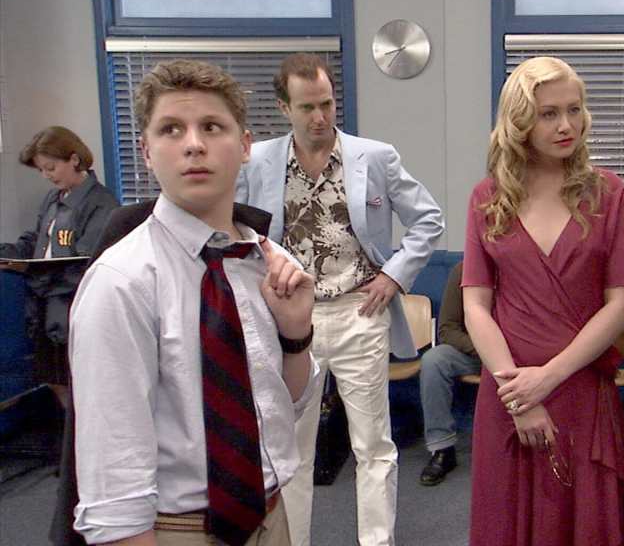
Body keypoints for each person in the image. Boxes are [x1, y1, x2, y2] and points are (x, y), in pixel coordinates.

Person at [69, 59, 318, 545]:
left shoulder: (266, 262)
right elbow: (112, 472)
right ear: (146, 151)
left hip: (271, 515)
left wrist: (295, 335)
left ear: (245, 145)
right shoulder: (121, 282)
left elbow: (287, 403)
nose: (194, 144)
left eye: (212, 126)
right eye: (171, 129)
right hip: (175, 529)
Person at [236, 52, 444, 546]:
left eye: (327, 104)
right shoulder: (259, 160)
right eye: (307, 107)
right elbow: (236, 225)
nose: (320, 117)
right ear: (284, 107)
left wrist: (393, 277)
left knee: (373, 444)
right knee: (292, 447)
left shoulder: (374, 156)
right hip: (289, 320)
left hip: (358, 311)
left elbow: (427, 219)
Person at [463, 56, 624, 546]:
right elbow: (477, 305)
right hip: (508, 391)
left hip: (578, 387)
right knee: (508, 522)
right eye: (548, 113)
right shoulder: (487, 198)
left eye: (574, 110)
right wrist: (518, 394)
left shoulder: (608, 192)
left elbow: (618, 303)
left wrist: (549, 377)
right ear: (520, 121)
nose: (567, 125)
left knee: (581, 522)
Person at [0, 126, 118, 408]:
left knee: (78, 379)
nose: (47, 176)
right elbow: (36, 240)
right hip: (43, 303)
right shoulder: (53, 199)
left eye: (51, 167)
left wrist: (38, 274)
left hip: (72, 306)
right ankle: (68, 431)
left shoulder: (102, 203)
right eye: (42, 170)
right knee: (54, 378)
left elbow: (89, 261)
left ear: (74, 160)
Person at [417, 261, 480, 486]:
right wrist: (485, 350)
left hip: (519, 352)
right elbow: (447, 329)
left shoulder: (527, 266)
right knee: (435, 360)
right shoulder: (463, 270)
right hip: (475, 353)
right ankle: (442, 447)